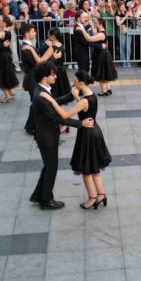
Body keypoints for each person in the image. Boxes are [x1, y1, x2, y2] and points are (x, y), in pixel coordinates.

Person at [40, 70, 112, 209]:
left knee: (86, 171)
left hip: (87, 135)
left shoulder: (84, 100)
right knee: (94, 168)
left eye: (75, 81)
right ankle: (101, 195)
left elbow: (65, 115)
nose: (73, 83)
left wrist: (51, 101)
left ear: (81, 83)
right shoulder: (91, 95)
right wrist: (76, 97)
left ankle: (92, 198)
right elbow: (86, 108)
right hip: (95, 131)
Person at [29, 62, 95, 210]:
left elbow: (55, 103)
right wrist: (81, 124)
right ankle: (46, 200)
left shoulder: (43, 90)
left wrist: (70, 96)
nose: (55, 76)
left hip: (47, 136)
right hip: (47, 138)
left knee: (48, 167)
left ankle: (38, 195)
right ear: (45, 77)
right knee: (51, 169)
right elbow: (57, 118)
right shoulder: (40, 95)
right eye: (52, 74)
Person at [20, 24, 55, 135]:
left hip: (33, 77)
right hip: (32, 78)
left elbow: (36, 51)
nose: (35, 33)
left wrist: (44, 44)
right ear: (27, 34)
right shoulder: (26, 48)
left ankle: (33, 125)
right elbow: (36, 62)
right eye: (33, 31)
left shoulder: (29, 46)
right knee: (35, 102)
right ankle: (31, 126)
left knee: (36, 102)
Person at [76, 17, 117, 96]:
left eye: (96, 23)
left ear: (100, 24)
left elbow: (90, 39)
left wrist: (82, 30)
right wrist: (91, 25)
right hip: (102, 53)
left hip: (101, 54)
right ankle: (108, 88)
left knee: (100, 71)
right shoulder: (101, 32)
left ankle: (104, 91)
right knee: (104, 71)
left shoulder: (101, 34)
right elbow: (95, 34)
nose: (95, 24)